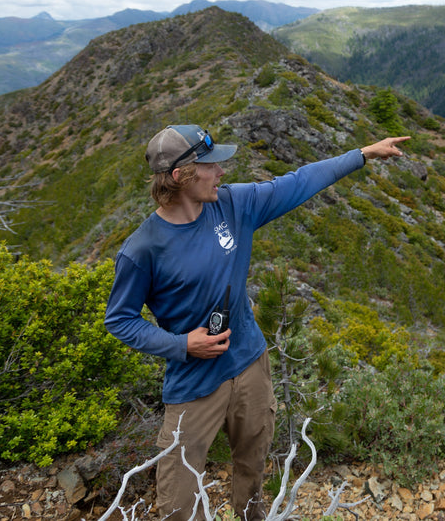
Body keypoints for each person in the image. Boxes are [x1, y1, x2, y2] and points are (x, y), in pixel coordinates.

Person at [104, 124, 410, 521]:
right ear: (180, 177)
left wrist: (363, 154)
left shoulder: (233, 205)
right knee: (178, 498)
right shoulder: (143, 249)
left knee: (251, 468)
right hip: (194, 381)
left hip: (250, 363)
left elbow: (298, 182)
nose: (221, 172)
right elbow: (121, 319)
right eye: (210, 165)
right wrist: (181, 345)